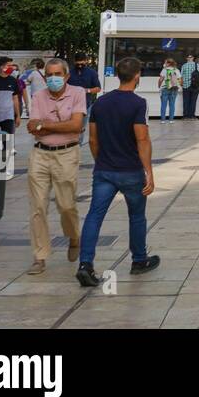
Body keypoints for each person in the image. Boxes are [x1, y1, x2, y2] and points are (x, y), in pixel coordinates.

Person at [76, 56, 159, 286]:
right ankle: (139, 259)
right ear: (137, 76)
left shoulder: (101, 103)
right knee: (136, 215)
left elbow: (93, 139)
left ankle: (85, 264)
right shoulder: (138, 103)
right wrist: (149, 172)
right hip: (131, 170)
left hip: (104, 169)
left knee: (94, 215)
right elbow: (142, 139)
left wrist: (100, 161)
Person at [24, 58, 86, 275]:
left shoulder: (78, 93)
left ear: (66, 76)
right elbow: (33, 127)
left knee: (66, 205)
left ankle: (74, 236)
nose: (53, 79)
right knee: (38, 206)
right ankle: (39, 256)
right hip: (40, 154)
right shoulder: (38, 95)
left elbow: (77, 125)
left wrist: (46, 125)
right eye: (49, 74)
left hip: (67, 153)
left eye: (57, 74)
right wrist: (58, 126)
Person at [0, 56, 22, 135]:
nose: (11, 68)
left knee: (8, 141)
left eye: (12, 66)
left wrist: (18, 115)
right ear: (1, 67)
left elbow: (15, 98)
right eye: (9, 65)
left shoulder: (13, 80)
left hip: (8, 116)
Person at [158, 57, 181, 122]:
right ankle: (171, 120)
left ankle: (163, 120)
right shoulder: (176, 70)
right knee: (172, 104)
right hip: (174, 88)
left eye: (165, 62)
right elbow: (180, 80)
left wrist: (159, 86)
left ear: (168, 63)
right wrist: (179, 85)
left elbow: (160, 79)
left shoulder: (164, 70)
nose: (164, 64)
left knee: (163, 104)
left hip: (165, 88)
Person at [180, 53, 199, 120]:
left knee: (186, 101)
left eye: (190, 57)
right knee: (193, 101)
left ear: (187, 58)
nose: (189, 58)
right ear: (193, 58)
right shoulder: (196, 65)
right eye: (189, 57)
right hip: (195, 85)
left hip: (186, 85)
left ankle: (185, 116)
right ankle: (192, 116)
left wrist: (181, 84)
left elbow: (181, 76)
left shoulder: (184, 65)